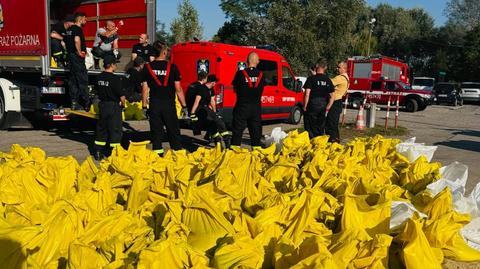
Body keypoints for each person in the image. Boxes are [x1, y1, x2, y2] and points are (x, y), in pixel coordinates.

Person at [141, 41, 188, 156]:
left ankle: (158, 157)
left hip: (154, 104)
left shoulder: (147, 67)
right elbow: (178, 89)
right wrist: (184, 106)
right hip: (168, 104)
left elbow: (145, 89)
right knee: (173, 131)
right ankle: (177, 156)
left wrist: (144, 106)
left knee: (156, 133)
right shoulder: (172, 67)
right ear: (164, 52)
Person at [93, 55, 126, 161]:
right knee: (115, 130)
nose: (116, 65)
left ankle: (98, 152)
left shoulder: (98, 78)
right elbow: (122, 96)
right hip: (113, 106)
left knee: (102, 129)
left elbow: (97, 91)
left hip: (103, 105)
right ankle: (114, 154)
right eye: (115, 64)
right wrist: (123, 105)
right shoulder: (115, 79)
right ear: (111, 65)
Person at [231, 52, 265, 149]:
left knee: (237, 131)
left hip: (242, 106)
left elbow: (235, 88)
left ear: (247, 61)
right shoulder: (262, 75)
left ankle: (234, 153)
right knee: (256, 133)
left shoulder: (240, 74)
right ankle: (256, 154)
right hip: (256, 107)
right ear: (257, 62)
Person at [190, 74, 230, 147]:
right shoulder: (201, 88)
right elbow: (197, 101)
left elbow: (212, 101)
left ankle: (220, 144)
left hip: (206, 108)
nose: (215, 84)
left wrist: (214, 112)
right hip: (201, 109)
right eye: (215, 82)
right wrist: (192, 113)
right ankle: (225, 142)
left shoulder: (210, 89)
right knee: (219, 124)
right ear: (212, 82)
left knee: (214, 125)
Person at [303, 58, 335, 139]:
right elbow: (333, 96)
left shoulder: (311, 79)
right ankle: (319, 144)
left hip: (312, 105)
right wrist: (328, 107)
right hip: (323, 106)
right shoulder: (328, 80)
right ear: (325, 68)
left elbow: (307, 94)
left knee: (310, 127)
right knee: (320, 127)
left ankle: (311, 143)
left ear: (317, 66)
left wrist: (305, 106)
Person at [64, 12, 89, 110]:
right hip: (77, 58)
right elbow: (77, 40)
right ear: (80, 19)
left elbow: (64, 42)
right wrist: (79, 52)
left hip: (70, 57)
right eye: (85, 19)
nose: (86, 21)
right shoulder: (77, 29)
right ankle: (86, 103)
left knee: (73, 80)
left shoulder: (68, 30)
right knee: (82, 79)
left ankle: (74, 103)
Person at [326, 61, 350, 143]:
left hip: (335, 102)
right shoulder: (346, 77)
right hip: (338, 102)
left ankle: (332, 141)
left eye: (339, 67)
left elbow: (329, 82)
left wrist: (319, 76)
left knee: (331, 123)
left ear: (344, 68)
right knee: (333, 124)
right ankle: (335, 140)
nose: (337, 69)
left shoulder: (341, 78)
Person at [186, 71, 208, 136]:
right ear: (204, 79)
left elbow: (187, 96)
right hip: (197, 108)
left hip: (189, 106)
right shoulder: (201, 87)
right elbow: (197, 100)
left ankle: (197, 132)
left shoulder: (191, 85)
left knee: (195, 124)